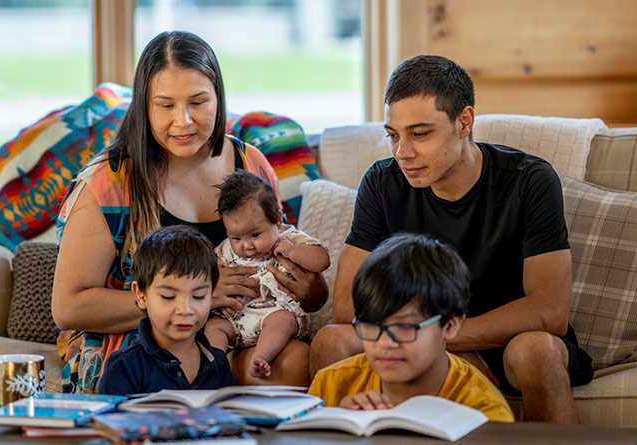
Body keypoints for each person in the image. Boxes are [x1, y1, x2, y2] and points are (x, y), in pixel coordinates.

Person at [308, 55, 593, 423]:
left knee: (536, 348)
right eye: (394, 135)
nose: (402, 153)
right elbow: (349, 309)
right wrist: (424, 341)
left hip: (503, 340)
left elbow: (549, 312)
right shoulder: (381, 183)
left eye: (420, 134)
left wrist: (443, 339)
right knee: (331, 339)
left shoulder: (529, 180)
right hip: (412, 336)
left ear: (464, 122)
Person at [53, 30, 327, 394]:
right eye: (165, 105)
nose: (183, 121)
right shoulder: (109, 182)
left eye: (198, 102)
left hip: (239, 332)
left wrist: (309, 288)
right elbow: (69, 308)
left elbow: (288, 257)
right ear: (144, 106)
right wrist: (196, 298)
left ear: (218, 98)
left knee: (293, 360)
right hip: (142, 349)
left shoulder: (251, 164)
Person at [308, 233, 513, 422]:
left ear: (450, 326)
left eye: (405, 327)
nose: (385, 343)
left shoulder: (484, 412)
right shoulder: (331, 385)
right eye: (370, 325)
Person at [204, 171, 330, 379]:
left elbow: (322, 260)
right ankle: (213, 364)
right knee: (215, 326)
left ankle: (261, 358)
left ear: (277, 220)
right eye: (236, 238)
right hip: (236, 318)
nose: (247, 246)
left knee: (283, 321)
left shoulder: (289, 238)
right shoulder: (225, 250)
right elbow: (209, 271)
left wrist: (293, 251)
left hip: (274, 313)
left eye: (255, 235)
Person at [98, 226, 234, 395]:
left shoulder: (219, 362)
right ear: (140, 295)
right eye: (169, 297)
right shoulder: (124, 366)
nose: (185, 310)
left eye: (198, 296)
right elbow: (109, 422)